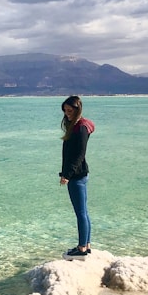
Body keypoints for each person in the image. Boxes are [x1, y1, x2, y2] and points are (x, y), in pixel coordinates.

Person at [59, 95, 95, 260]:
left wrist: (67, 175)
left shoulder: (80, 128)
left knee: (81, 213)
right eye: (65, 111)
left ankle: (81, 249)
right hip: (79, 174)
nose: (67, 114)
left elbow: (79, 154)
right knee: (84, 212)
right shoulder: (77, 125)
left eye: (70, 110)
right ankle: (86, 246)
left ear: (77, 109)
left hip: (76, 176)